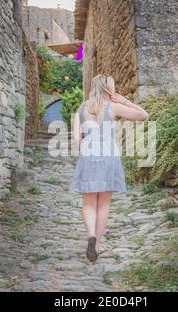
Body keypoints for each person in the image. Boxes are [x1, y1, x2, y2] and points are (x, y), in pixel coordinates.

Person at [70, 74, 149, 263]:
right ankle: (96, 244)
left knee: (88, 202)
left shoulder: (81, 108)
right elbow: (143, 115)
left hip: (88, 157)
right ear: (109, 89)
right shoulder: (113, 107)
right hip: (108, 157)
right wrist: (125, 100)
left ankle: (91, 236)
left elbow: (76, 139)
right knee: (103, 203)